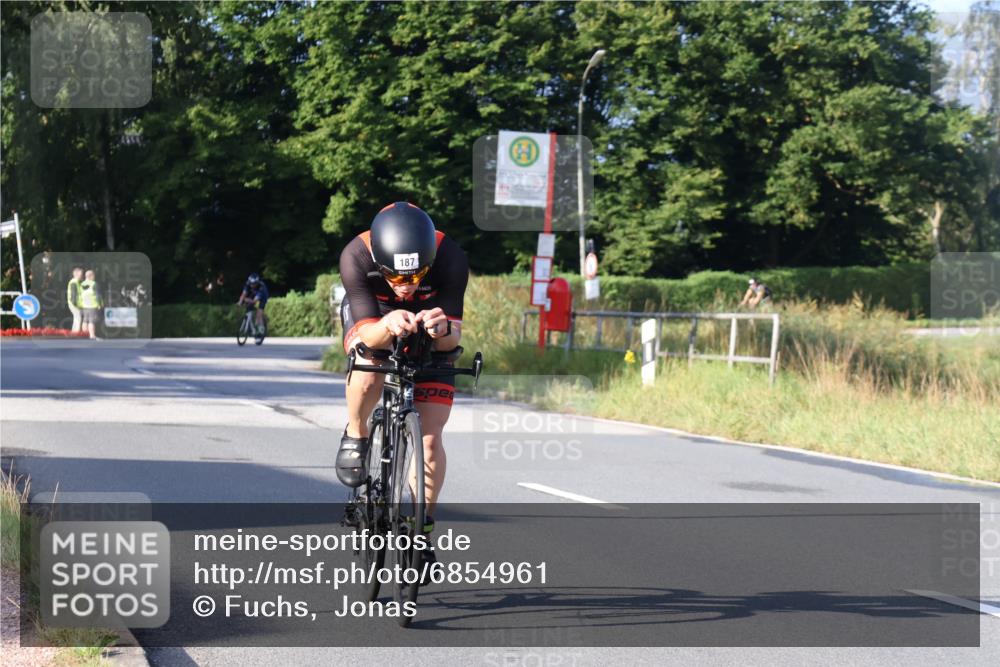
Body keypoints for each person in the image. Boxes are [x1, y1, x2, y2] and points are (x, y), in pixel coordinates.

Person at [337, 202, 468, 556]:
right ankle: (356, 431)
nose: (405, 287)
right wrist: (388, 323)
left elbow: (454, 337)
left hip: (431, 323)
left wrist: (442, 329)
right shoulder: (356, 256)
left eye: (415, 277)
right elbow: (366, 335)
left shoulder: (451, 257)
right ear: (380, 264)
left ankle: (421, 531)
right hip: (374, 319)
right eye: (394, 277)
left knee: (429, 440)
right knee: (368, 368)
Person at [79, 269, 103, 339]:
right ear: (91, 276)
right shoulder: (93, 284)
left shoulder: (81, 284)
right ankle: (92, 335)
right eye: (93, 275)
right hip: (92, 305)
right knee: (91, 321)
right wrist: (99, 304)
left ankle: (84, 335)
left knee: (85, 321)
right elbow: (97, 295)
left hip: (84, 305)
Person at [66, 267, 83, 332]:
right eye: (80, 274)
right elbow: (73, 294)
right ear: (76, 274)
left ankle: (74, 332)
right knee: (78, 318)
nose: (81, 275)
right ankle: (76, 332)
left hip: (75, 303)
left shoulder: (77, 282)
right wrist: (75, 304)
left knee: (76, 318)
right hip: (74, 304)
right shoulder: (74, 282)